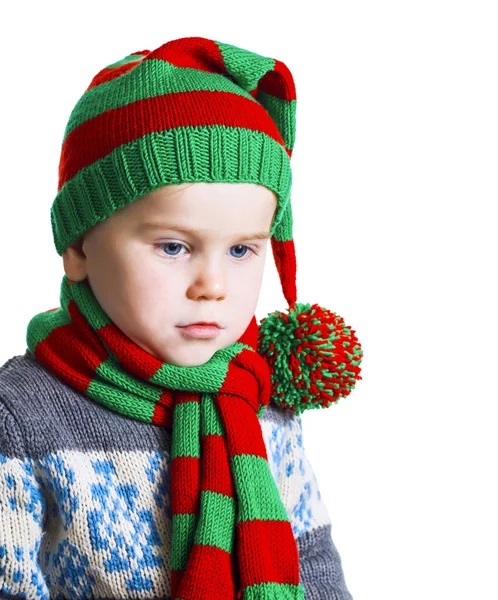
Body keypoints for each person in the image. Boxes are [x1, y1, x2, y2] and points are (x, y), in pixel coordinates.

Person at [0, 36, 363, 600]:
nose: (213, 287)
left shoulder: (258, 394)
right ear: (78, 247)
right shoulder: (22, 414)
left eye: (242, 250)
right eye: (173, 247)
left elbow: (310, 558)